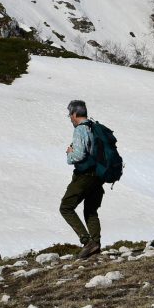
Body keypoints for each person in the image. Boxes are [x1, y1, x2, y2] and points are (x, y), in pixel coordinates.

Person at [60, 99, 103, 259]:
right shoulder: (94, 126)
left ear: (75, 114)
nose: (70, 118)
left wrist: (69, 153)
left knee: (66, 207)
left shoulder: (80, 130)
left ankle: (87, 242)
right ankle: (96, 245)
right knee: (90, 209)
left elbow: (79, 155)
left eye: (70, 115)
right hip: (98, 175)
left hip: (84, 175)